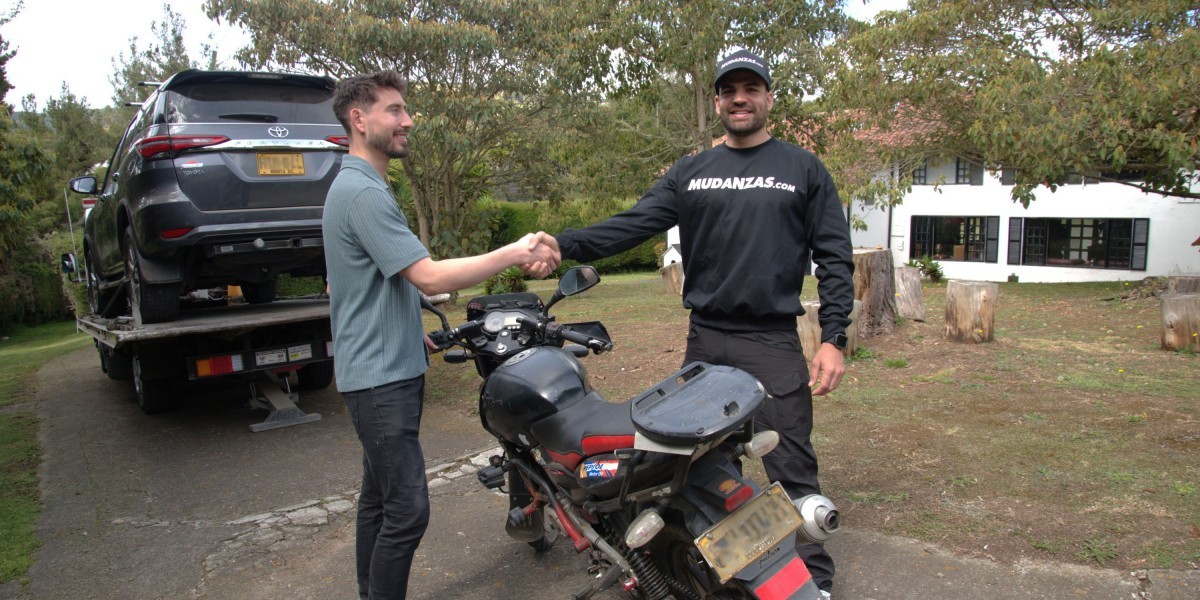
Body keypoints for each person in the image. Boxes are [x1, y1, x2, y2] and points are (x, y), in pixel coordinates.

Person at [539, 49, 853, 597]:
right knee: (692, 465)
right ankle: (711, 565)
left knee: (791, 464)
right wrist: (562, 244)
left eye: (750, 88)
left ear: (768, 98)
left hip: (771, 343)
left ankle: (813, 585)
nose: (739, 98)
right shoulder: (692, 172)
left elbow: (834, 257)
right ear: (716, 101)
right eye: (729, 90)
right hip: (705, 343)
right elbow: (632, 226)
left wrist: (834, 339)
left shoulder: (802, 169)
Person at [323, 70, 558, 600]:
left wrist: (417, 333)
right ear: (359, 120)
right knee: (406, 510)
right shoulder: (362, 192)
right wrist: (515, 252)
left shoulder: (360, 185)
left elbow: (371, 282)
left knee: (378, 501)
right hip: (379, 384)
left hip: (383, 370)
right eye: (394, 110)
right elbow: (426, 274)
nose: (407, 120)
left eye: (405, 110)